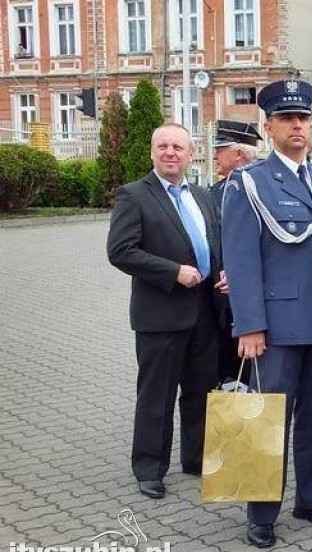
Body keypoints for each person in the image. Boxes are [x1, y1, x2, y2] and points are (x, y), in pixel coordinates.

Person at [221, 79, 312, 549]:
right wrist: (250, 326)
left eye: (303, 117)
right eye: (287, 118)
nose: (297, 125)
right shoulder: (250, 182)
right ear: (269, 127)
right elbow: (240, 260)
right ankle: (260, 512)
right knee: (267, 419)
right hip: (276, 329)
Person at [107, 123, 226, 499]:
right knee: (156, 395)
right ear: (152, 153)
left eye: (178, 146)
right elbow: (121, 251)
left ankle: (195, 458)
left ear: (191, 154)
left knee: (200, 391)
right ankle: (150, 467)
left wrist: (227, 273)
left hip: (206, 311)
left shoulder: (204, 195)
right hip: (161, 315)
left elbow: (214, 240)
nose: (170, 152)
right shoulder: (133, 196)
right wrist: (173, 272)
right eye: (163, 146)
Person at [209, 120, 261, 384]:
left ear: (239, 154)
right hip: (220, 306)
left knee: (256, 378)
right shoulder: (214, 192)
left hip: (258, 306)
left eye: (220, 149)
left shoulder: (265, 187)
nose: (214, 155)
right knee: (224, 374)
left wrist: (241, 276)